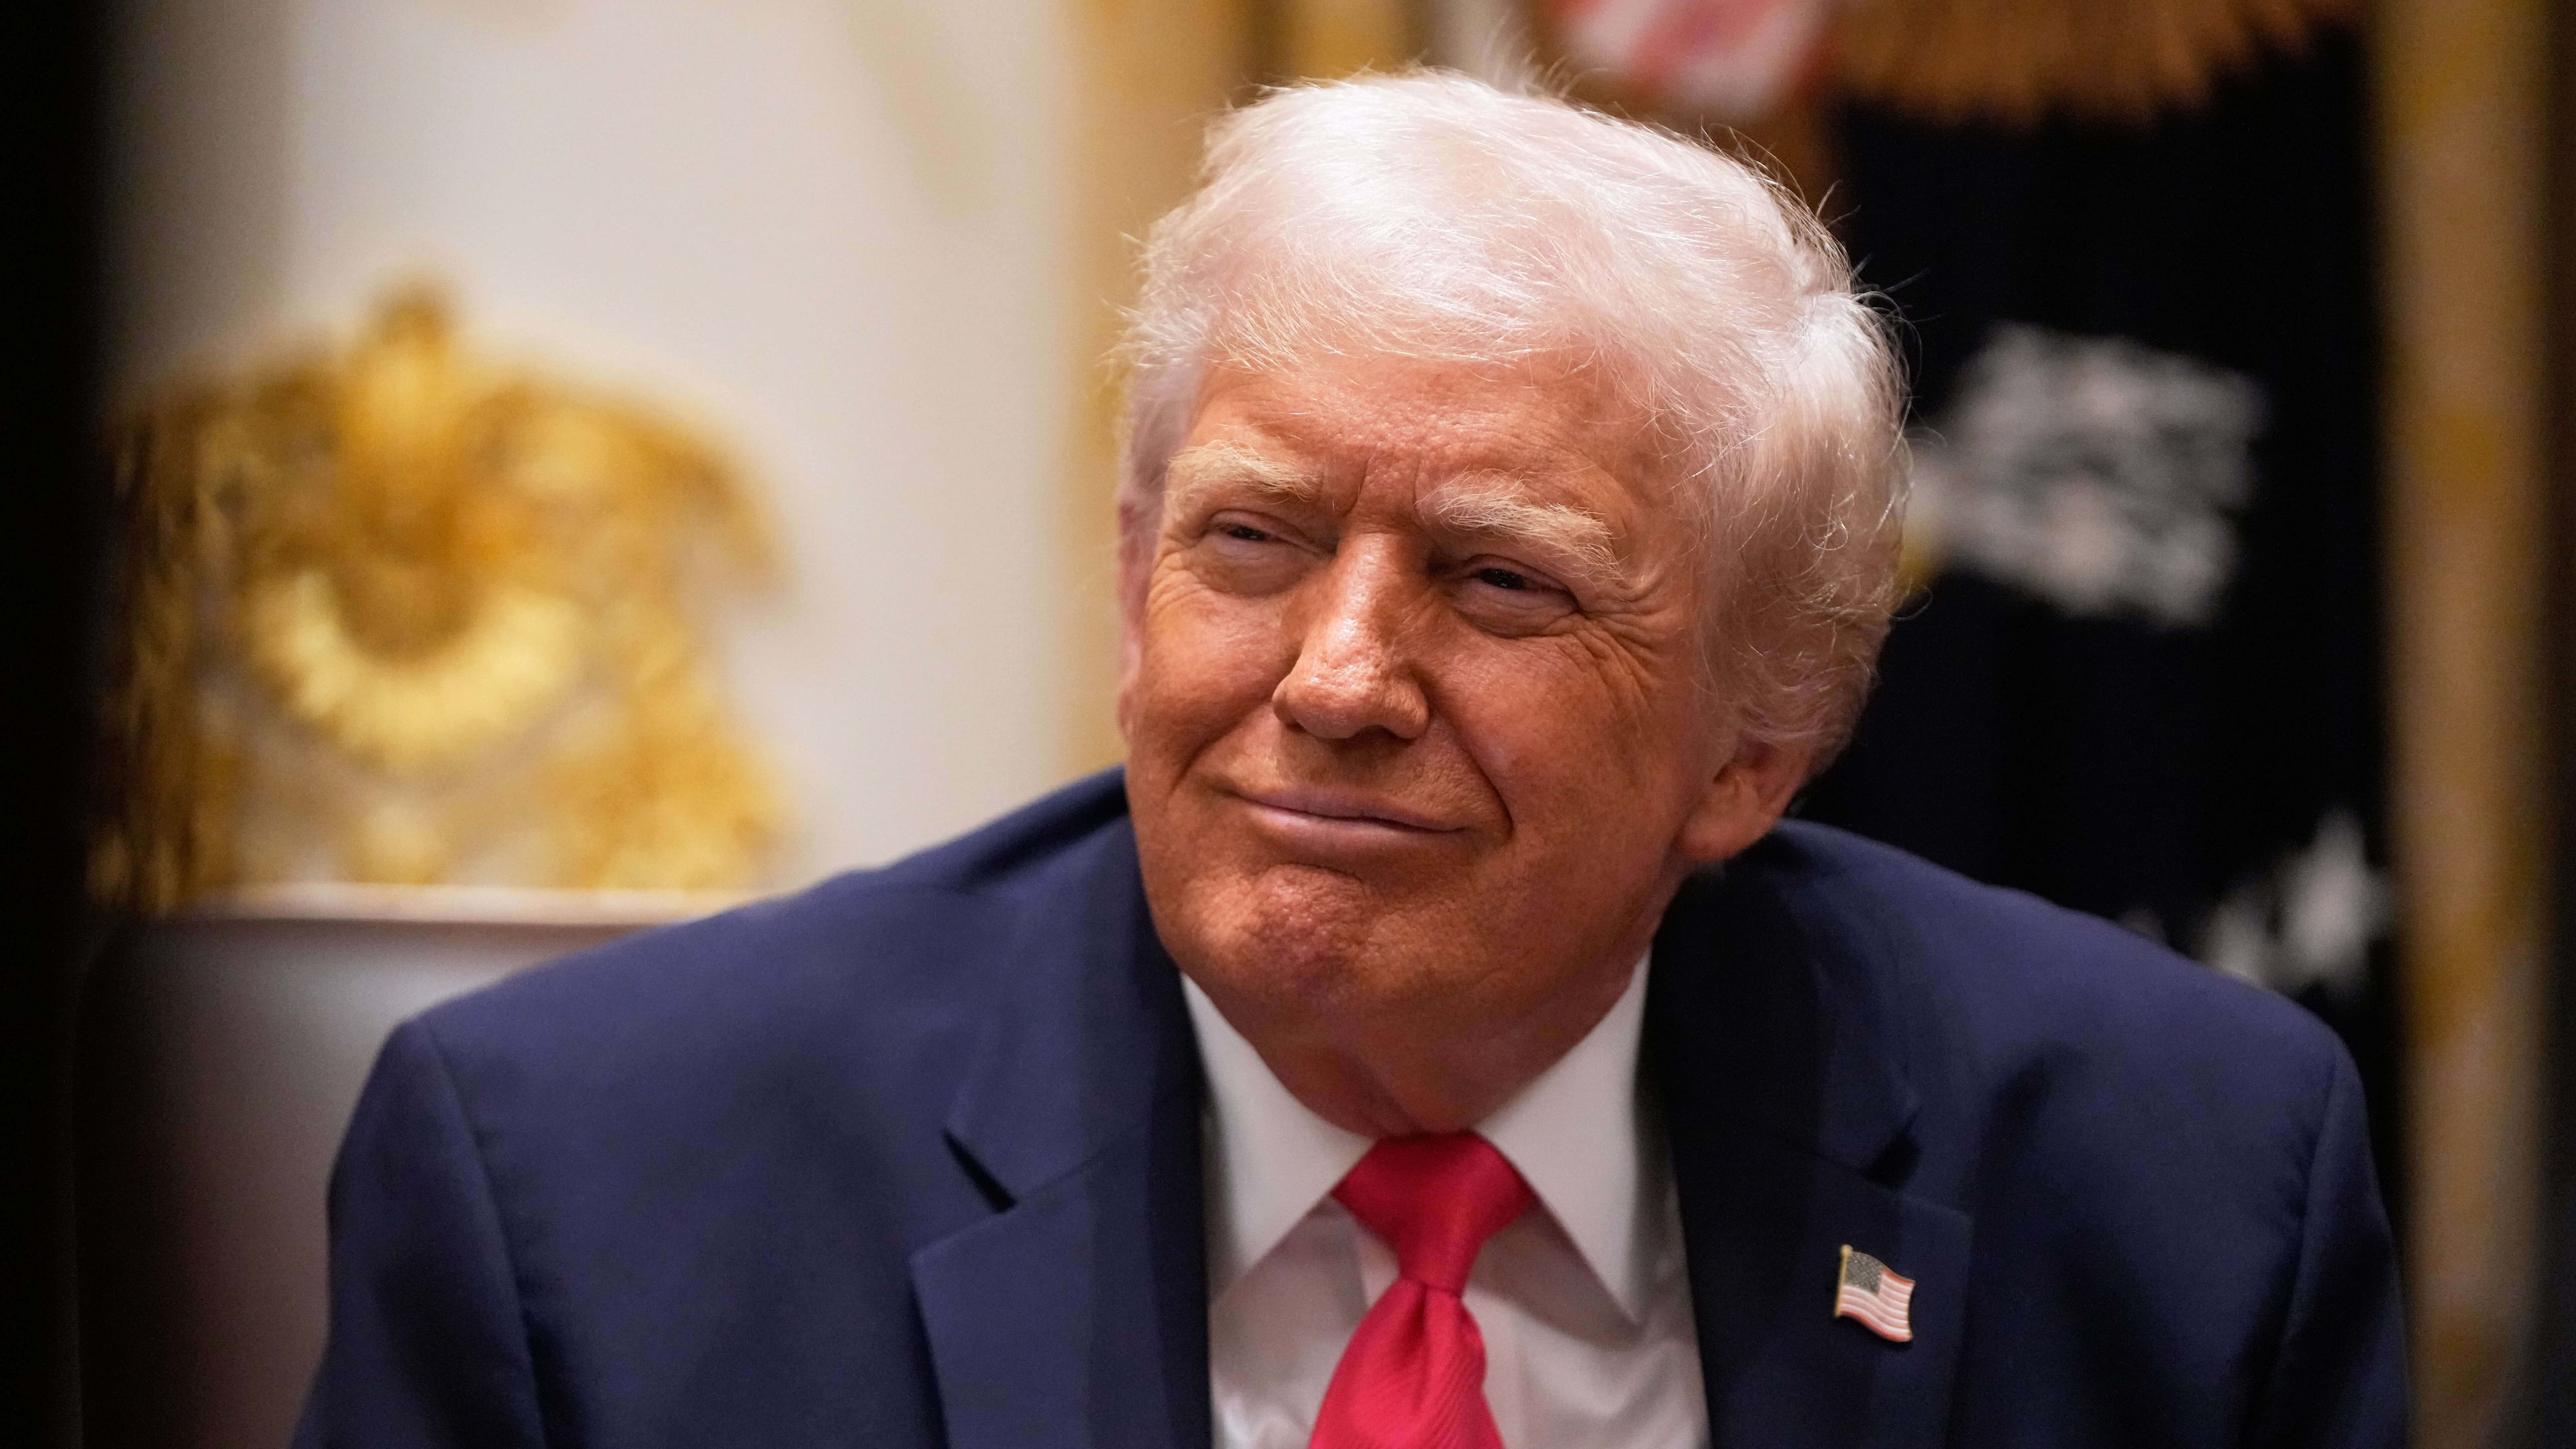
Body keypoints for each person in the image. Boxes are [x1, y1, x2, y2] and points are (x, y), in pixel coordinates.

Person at [294, 72, 2405, 1449]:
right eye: (1252, 541)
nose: (1339, 675)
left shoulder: (2173, 1188)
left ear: (1756, 743)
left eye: (1498, 583)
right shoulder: (580, 1191)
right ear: (1133, 585)